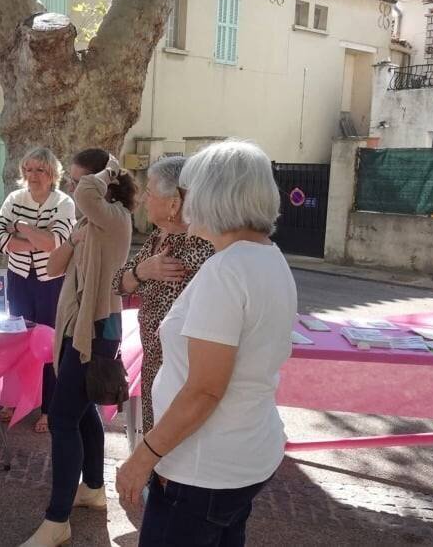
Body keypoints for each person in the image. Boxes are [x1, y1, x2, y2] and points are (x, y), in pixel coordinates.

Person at [115, 140, 297, 546]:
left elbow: (204, 390)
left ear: (212, 196)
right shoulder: (267, 256)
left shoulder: (227, 270)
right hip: (240, 454)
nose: (184, 203)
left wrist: (144, 456)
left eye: (188, 191)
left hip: (204, 467)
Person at [19, 149, 135, 547]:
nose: (71, 185)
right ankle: (94, 489)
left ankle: (57, 521)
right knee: (84, 415)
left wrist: (110, 169)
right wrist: (73, 238)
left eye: (76, 178)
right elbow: (52, 267)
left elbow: (86, 192)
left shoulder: (116, 218)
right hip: (76, 329)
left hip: (98, 330)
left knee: (64, 419)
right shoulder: (90, 222)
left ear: (101, 183)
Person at [113, 156, 215, 433]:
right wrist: (141, 272)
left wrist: (136, 275)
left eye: (149, 192)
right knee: (153, 442)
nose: (144, 199)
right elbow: (118, 284)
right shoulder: (160, 236)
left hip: (182, 374)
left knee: (172, 446)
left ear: (173, 203)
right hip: (153, 365)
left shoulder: (202, 248)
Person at [0, 147, 76, 434]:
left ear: (52, 174)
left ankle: (49, 408)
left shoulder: (63, 203)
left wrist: (21, 226)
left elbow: (55, 242)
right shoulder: (15, 198)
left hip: (52, 281)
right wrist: (33, 239)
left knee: (51, 345)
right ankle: (13, 400)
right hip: (19, 280)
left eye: (39, 169)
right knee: (19, 341)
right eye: (28, 169)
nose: (32, 175)